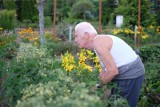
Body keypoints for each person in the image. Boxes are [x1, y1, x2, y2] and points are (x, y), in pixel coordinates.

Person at [74, 22, 145, 107]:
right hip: (130, 74)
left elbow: (113, 71)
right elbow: (104, 70)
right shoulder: (98, 42)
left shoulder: (98, 43)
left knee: (121, 104)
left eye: (76, 36)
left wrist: (96, 86)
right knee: (113, 102)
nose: (75, 40)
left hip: (129, 76)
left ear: (85, 35)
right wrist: (93, 86)